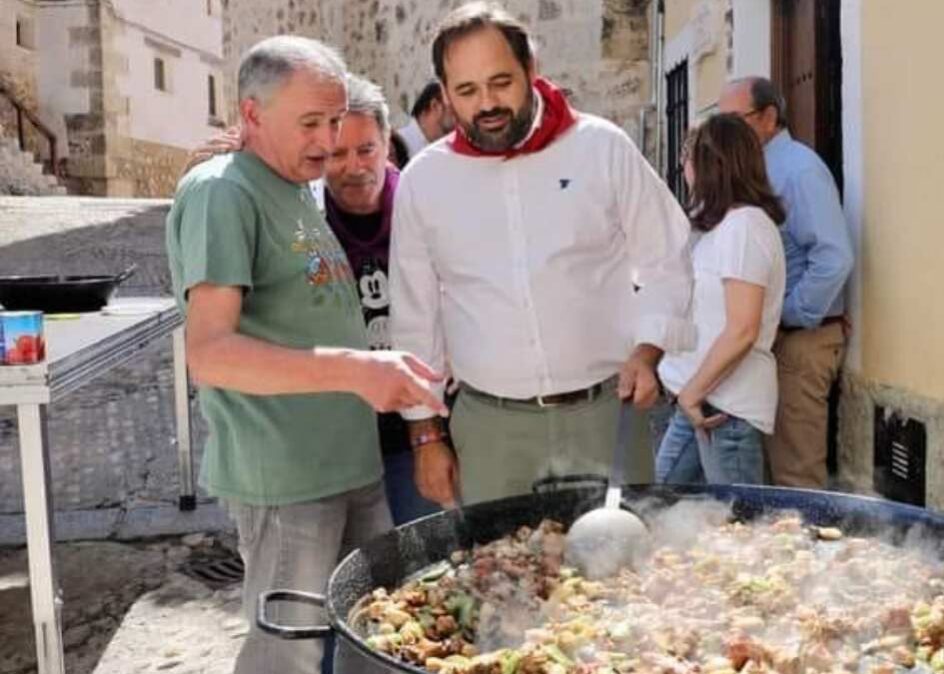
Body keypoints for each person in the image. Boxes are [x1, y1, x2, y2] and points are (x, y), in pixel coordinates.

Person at [165, 36, 443, 674]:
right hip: (287, 484)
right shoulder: (222, 193)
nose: (326, 141)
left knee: (375, 635)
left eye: (336, 120)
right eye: (310, 123)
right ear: (253, 114)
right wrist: (357, 370)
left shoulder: (292, 183)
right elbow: (209, 354)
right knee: (285, 656)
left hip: (350, 468)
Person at [391, 1, 695, 505]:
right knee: (497, 577)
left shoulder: (601, 148)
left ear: (531, 71)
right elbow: (414, 317)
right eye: (466, 91)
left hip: (605, 417)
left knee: (623, 573)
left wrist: (648, 350)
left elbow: (668, 257)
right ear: (444, 95)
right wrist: (425, 436)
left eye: (501, 82)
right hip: (490, 432)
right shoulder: (424, 180)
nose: (486, 103)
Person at [717, 77, 854, 489]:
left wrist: (786, 314)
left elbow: (834, 258)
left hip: (798, 342)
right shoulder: (759, 168)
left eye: (733, 121)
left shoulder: (797, 169)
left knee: (796, 478)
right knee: (769, 476)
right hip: (771, 340)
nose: (725, 134)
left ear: (769, 117)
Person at [655, 115, 786, 485]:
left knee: (735, 528)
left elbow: (743, 329)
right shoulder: (721, 226)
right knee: (661, 507)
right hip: (699, 400)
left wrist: (692, 393)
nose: (683, 166)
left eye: (688, 155)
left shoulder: (745, 227)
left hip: (724, 409)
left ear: (713, 164)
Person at [390, 79, 457, 169]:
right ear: (435, 105)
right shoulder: (395, 148)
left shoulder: (446, 151)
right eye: (455, 108)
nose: (461, 115)